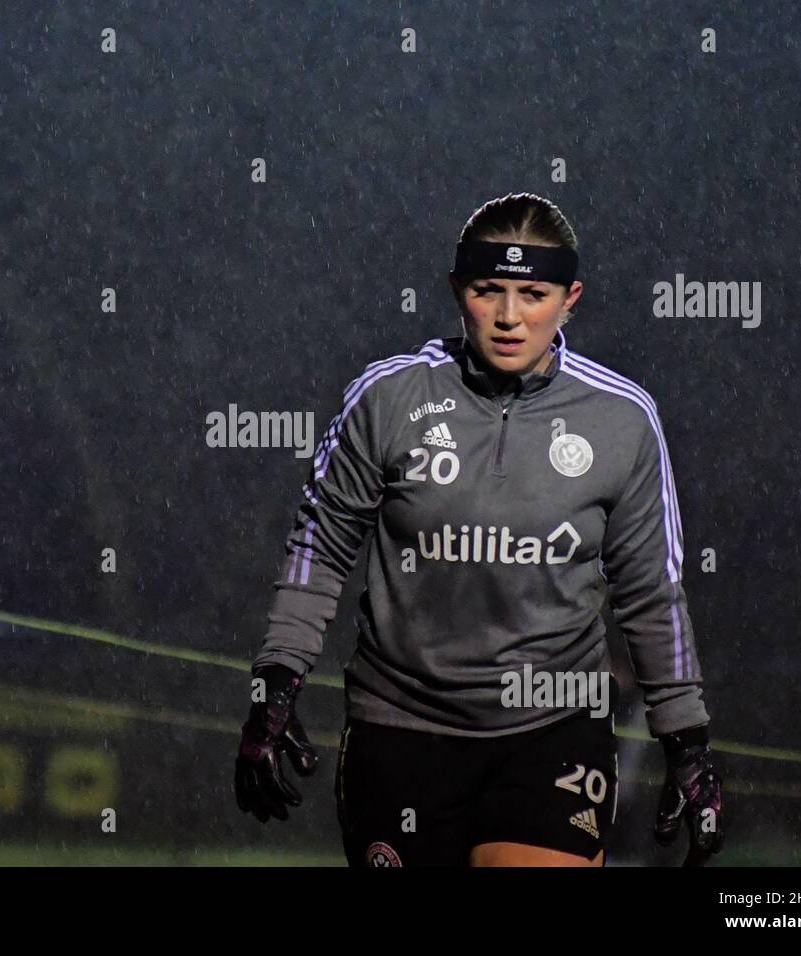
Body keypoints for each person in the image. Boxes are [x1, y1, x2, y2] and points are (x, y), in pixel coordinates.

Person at [233, 192, 724, 867]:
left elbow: (651, 594)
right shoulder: (386, 399)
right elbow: (317, 554)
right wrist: (276, 686)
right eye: (488, 290)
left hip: (553, 730)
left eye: (534, 293)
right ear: (456, 290)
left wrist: (687, 742)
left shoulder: (622, 418)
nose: (510, 316)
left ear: (570, 297)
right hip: (401, 728)